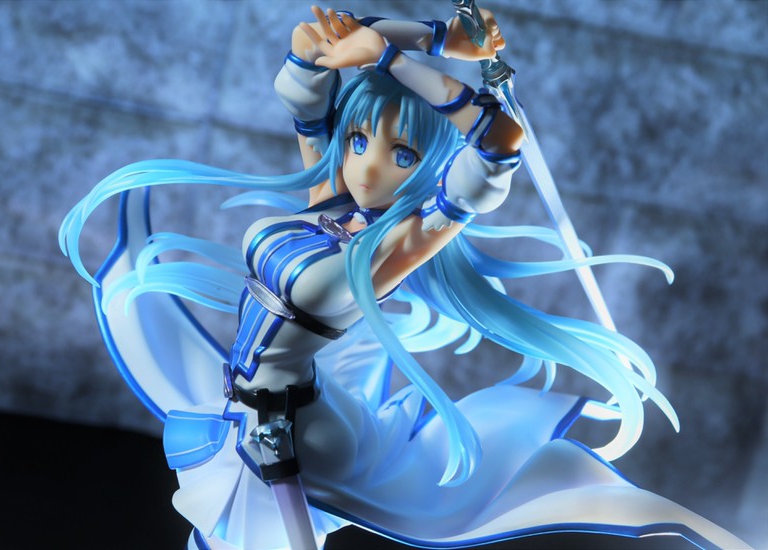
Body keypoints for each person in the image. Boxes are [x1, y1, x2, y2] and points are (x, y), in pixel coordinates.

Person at [59, 6, 748, 549]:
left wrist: (393, 57)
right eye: (359, 141)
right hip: (244, 408)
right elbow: (311, 57)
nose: (367, 166)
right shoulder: (330, 198)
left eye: (402, 153)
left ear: (428, 168)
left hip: (292, 432)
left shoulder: (395, 247)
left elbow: (498, 141)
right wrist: (440, 38)